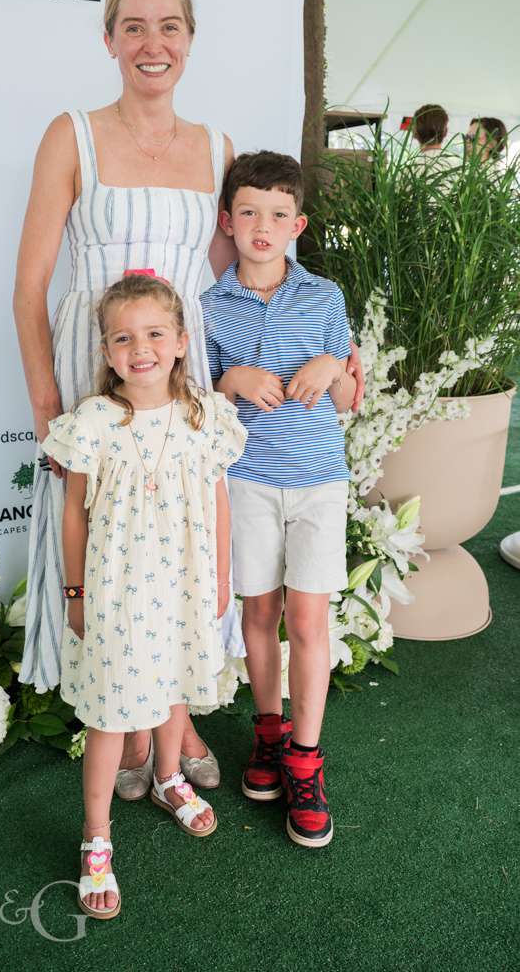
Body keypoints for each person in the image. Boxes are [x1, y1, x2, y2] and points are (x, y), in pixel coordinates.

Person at [13, 0, 244, 797]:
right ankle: (126, 729)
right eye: (134, 26)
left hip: (178, 369)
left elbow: (232, 268)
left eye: (169, 26)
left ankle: (173, 729)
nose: (153, 43)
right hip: (93, 367)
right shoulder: (70, 132)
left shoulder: (218, 147)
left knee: (182, 543)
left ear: (189, 40)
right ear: (109, 39)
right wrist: (50, 404)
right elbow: (30, 281)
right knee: (107, 558)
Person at [41, 272, 247, 918]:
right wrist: (75, 592)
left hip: (183, 582)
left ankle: (167, 778)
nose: (141, 349)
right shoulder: (94, 422)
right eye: (123, 338)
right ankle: (95, 838)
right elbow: (73, 513)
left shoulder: (203, 416)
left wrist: (219, 579)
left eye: (155, 334)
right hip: (114, 589)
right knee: (108, 714)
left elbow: (217, 499)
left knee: (173, 688)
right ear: (106, 352)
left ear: (181, 341)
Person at [200, 151, 355, 850]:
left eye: (277, 214)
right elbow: (191, 403)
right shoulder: (206, 306)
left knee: (309, 618)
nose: (262, 226)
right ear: (227, 221)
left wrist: (331, 366)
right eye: (248, 212)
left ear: (298, 223)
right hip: (247, 480)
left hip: (319, 479)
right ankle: (267, 732)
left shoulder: (324, 297)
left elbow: (348, 399)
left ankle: (305, 757)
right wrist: (230, 377)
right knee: (258, 610)